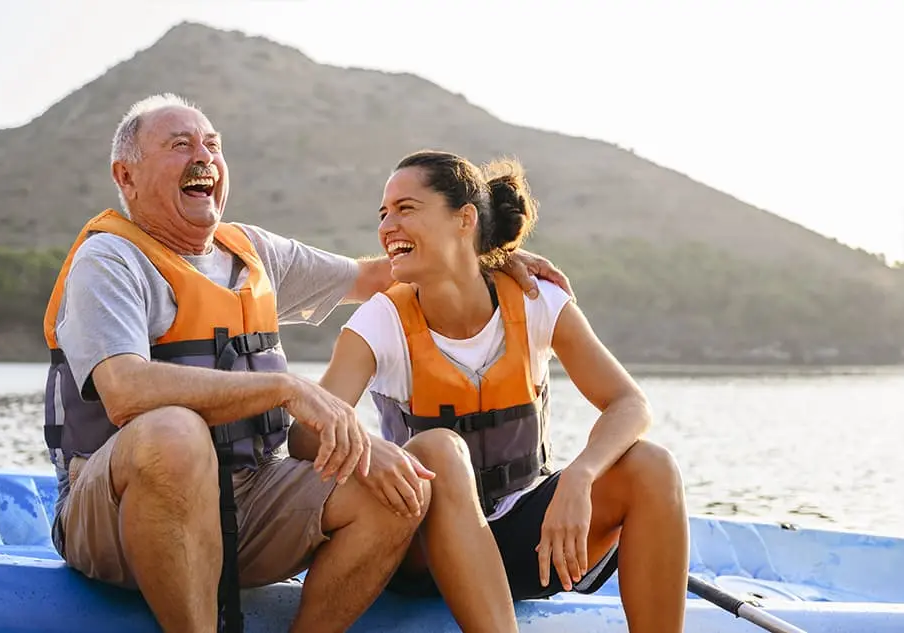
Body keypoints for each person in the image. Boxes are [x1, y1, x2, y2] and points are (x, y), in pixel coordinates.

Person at [41, 94, 571, 633]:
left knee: (399, 486)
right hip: (117, 517)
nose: (204, 157)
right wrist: (283, 391)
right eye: (180, 146)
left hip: (249, 500)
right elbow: (125, 389)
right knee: (173, 432)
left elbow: (376, 277)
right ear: (126, 176)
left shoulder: (254, 252)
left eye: (213, 145)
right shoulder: (109, 261)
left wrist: (481, 255)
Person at [315, 150, 690, 633]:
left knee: (652, 466)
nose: (388, 225)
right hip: (421, 553)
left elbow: (629, 403)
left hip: (528, 545)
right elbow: (310, 431)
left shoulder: (536, 300)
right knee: (437, 449)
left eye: (406, 209)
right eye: (383, 214)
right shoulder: (379, 320)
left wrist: (579, 477)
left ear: (464, 219)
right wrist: (372, 451)